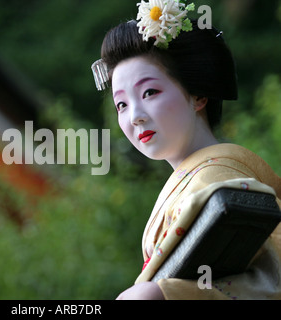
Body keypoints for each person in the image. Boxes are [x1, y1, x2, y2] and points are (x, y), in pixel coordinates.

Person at [92, 0, 281, 300]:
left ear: (198, 94)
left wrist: (156, 295)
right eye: (122, 104)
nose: (134, 116)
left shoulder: (216, 178)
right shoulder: (203, 178)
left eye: (149, 92)